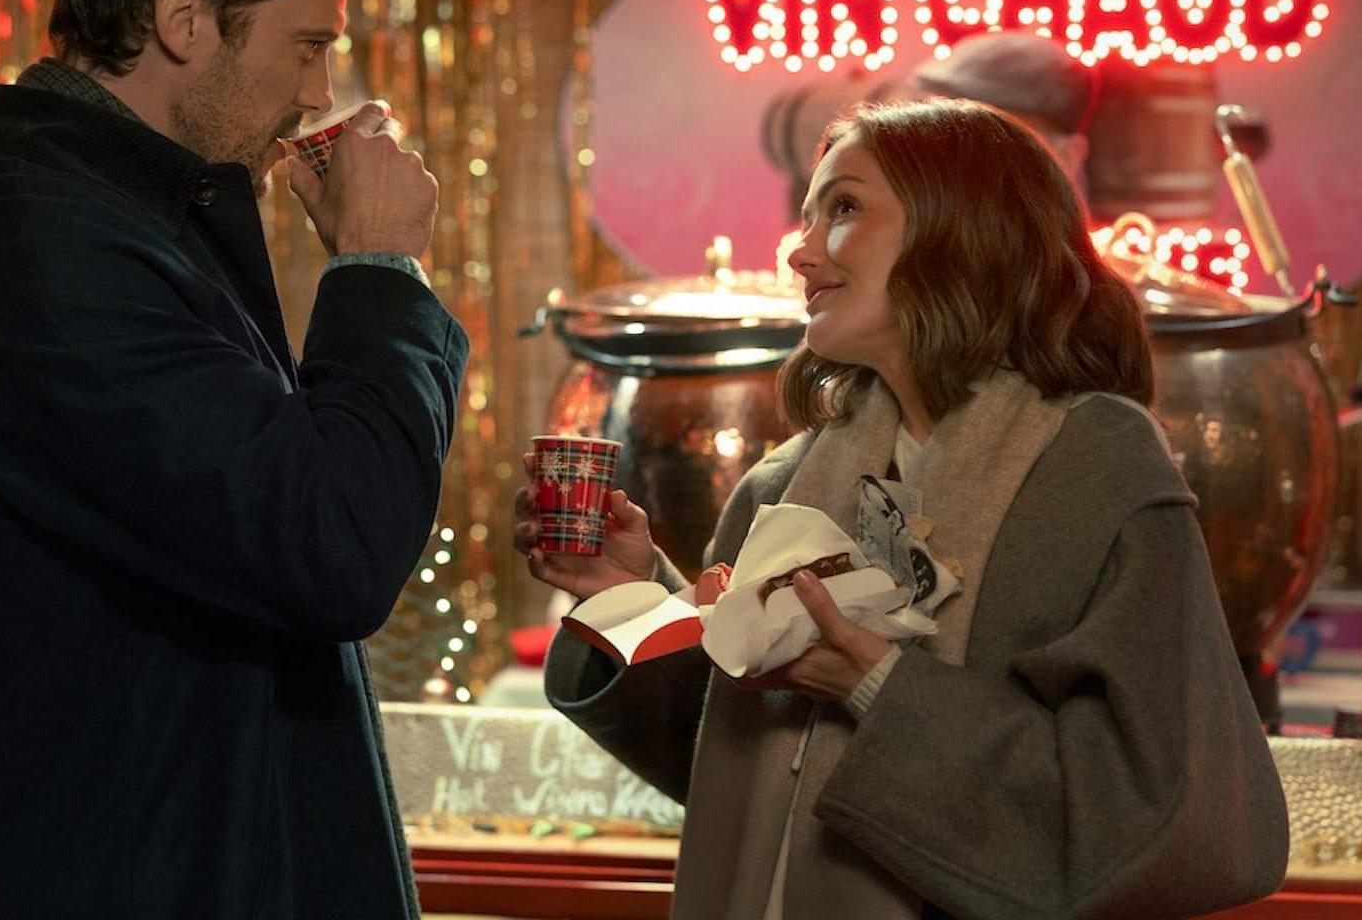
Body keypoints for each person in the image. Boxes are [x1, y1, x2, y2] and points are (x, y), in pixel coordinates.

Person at [0, 0, 468, 918]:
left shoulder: (129, 221)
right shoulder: (38, 246)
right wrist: (380, 268)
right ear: (184, 19)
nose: (319, 90)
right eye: (307, 44)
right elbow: (332, 548)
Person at [519, 99, 1287, 919]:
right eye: (807, 217)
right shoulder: (783, 486)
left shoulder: (1095, 472)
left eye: (844, 208)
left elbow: (1165, 817)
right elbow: (728, 769)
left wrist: (877, 687)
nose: (800, 251)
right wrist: (633, 598)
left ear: (965, 231)